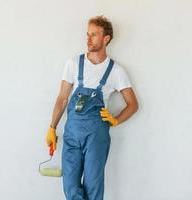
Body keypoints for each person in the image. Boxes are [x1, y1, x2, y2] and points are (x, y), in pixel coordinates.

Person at [45, 15, 138, 200]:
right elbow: (62, 99)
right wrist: (52, 127)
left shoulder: (116, 71)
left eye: (94, 35)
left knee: (93, 188)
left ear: (106, 39)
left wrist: (115, 120)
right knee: (70, 187)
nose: (88, 39)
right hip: (72, 135)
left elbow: (133, 104)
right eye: (87, 34)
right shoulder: (73, 63)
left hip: (97, 137)